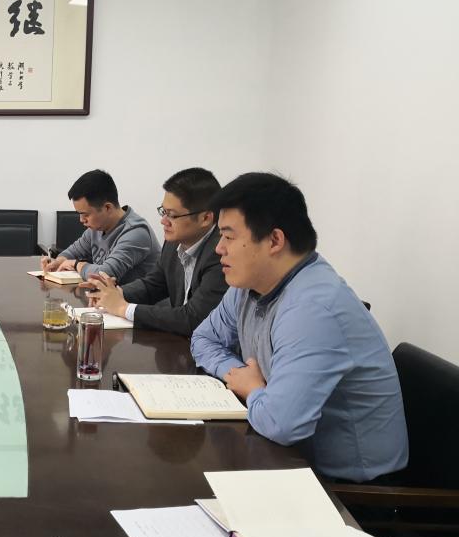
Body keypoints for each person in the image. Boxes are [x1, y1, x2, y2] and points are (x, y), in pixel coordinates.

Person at [190, 172, 407, 482]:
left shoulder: (313, 308)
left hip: (351, 490)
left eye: (228, 236)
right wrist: (237, 374)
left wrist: (253, 389)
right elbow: (203, 338)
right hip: (288, 458)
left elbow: (282, 424)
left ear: (274, 241)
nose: (218, 249)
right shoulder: (249, 285)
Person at [85, 167, 227, 336]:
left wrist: (124, 308)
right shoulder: (174, 243)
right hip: (179, 341)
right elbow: (154, 284)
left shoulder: (222, 253)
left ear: (205, 218)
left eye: (172, 215)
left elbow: (193, 318)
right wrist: (115, 294)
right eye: (163, 212)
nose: (163, 221)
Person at [40, 169, 159, 284]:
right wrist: (58, 261)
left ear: (107, 208)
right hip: (108, 295)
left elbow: (104, 275)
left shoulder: (136, 233)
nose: (81, 220)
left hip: (133, 298)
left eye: (86, 214)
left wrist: (76, 265)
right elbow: (72, 252)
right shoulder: (97, 228)